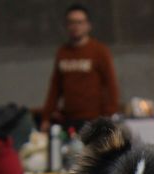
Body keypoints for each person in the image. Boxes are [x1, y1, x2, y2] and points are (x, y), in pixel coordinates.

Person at [40, 3, 120, 132]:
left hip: (95, 120)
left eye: (80, 22)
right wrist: (46, 117)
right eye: (72, 22)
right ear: (67, 26)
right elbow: (55, 87)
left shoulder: (99, 51)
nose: (76, 26)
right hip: (69, 120)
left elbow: (111, 85)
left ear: (88, 25)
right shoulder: (63, 52)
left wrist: (110, 115)